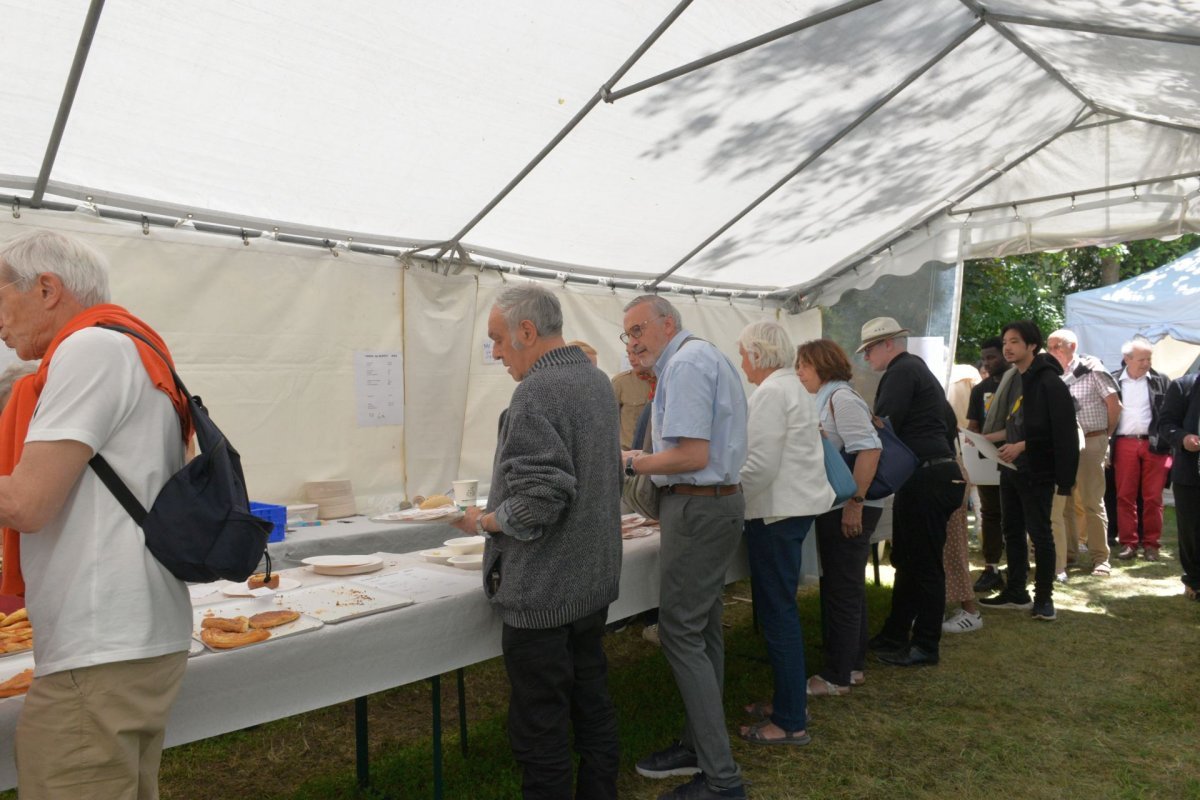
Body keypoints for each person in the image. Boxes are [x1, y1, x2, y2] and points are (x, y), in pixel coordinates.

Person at [0, 229, 195, 798]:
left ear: (46, 288)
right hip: (132, 631)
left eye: (0, 303)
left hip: (101, 639)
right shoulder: (136, 346)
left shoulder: (90, 349)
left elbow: (29, 504)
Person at [451, 285, 622, 799]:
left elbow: (539, 500)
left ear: (527, 331)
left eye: (499, 340)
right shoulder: (593, 380)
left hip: (545, 593)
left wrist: (485, 521)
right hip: (590, 581)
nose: (497, 353)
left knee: (539, 729)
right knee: (591, 702)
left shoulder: (537, 392)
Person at [620, 295, 748, 800]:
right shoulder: (695, 358)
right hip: (706, 504)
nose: (632, 341)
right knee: (703, 630)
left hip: (698, 505)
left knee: (680, 635)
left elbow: (691, 454)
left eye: (637, 330)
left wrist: (633, 461)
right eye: (627, 334)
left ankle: (721, 778)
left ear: (667, 323)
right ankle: (700, 747)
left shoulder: (689, 362)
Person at [735, 322, 832, 746]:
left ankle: (791, 721)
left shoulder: (772, 392)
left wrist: (725, 500)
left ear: (756, 355)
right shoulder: (792, 387)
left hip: (776, 513)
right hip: (791, 509)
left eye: (742, 354)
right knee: (781, 613)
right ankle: (789, 701)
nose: (741, 363)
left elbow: (758, 466)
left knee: (778, 616)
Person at [858, 317, 964, 667]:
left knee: (923, 565)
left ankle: (925, 644)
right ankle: (895, 632)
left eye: (870, 349)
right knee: (908, 561)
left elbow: (883, 427)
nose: (867, 358)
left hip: (926, 477)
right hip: (932, 474)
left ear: (889, 344)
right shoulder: (919, 372)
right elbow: (949, 424)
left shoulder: (902, 372)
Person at [796, 338, 881, 694]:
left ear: (822, 366)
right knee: (844, 586)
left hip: (849, 505)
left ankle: (837, 675)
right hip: (838, 504)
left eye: (803, 366)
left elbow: (869, 449)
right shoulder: (827, 397)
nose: (799, 373)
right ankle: (852, 665)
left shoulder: (840, 398)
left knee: (842, 589)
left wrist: (855, 503)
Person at [979, 321, 1078, 621]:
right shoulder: (1016, 379)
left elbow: (1060, 432)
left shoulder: (1048, 382)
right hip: (1011, 468)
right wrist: (978, 439)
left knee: (1040, 534)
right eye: (1006, 341)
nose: (1007, 347)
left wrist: (1022, 446)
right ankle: (1016, 592)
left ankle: (1044, 599)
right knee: (1011, 530)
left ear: (1032, 346)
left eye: (1015, 342)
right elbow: (1013, 426)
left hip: (1038, 470)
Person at [1045, 329, 1119, 579]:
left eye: (1058, 345)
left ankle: (1101, 558)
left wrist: (1104, 436)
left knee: (1091, 502)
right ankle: (1068, 554)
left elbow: (1115, 404)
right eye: (1050, 346)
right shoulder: (1052, 375)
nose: (1052, 350)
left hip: (1091, 440)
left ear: (1073, 346)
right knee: (1063, 501)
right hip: (1063, 446)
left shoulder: (1093, 369)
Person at [1110, 339, 1171, 561]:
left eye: (1149, 359)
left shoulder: (1161, 380)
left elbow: (1170, 414)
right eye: (1142, 359)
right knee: (1125, 496)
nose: (1146, 363)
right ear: (1127, 359)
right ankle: (1128, 543)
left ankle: (1151, 544)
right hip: (1124, 442)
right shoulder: (1114, 379)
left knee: (1153, 497)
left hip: (1154, 443)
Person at [966, 337, 1007, 592]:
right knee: (990, 514)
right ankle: (991, 567)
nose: (987, 363)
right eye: (985, 358)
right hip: (986, 461)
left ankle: (1018, 567)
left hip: (1018, 459)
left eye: (992, 357)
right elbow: (973, 425)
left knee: (1016, 516)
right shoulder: (979, 390)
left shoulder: (1019, 384)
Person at [1157, 372, 1200, 599]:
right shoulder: (1184, 385)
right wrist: (1183, 438)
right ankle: (1194, 580)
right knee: (1192, 530)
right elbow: (1165, 423)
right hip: (1192, 472)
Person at [612, 341, 654, 450]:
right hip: (631, 456)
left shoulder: (664, 379)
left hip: (660, 454)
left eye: (635, 353)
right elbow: (608, 424)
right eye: (628, 353)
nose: (631, 359)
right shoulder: (621, 383)